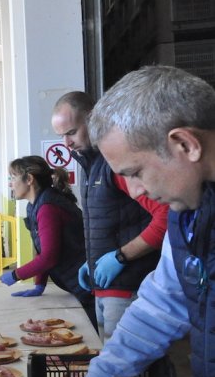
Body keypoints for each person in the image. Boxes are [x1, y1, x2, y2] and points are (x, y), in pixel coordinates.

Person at [67, 65, 215, 377]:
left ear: (185, 144)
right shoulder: (189, 216)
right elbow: (161, 305)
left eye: (135, 173)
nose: (135, 191)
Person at [52, 91, 168, 340]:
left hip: (128, 287)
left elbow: (166, 218)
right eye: (61, 136)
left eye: (71, 133)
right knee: (110, 359)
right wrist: (92, 259)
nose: (66, 143)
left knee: (129, 372)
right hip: (104, 289)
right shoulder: (89, 167)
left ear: (93, 119)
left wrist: (121, 256)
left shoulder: (115, 168)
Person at [0, 156, 97, 329]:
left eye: (13, 178)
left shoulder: (48, 207)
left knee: (93, 336)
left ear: (29, 179)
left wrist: (16, 275)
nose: (10, 184)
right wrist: (39, 284)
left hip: (86, 282)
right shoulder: (35, 205)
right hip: (75, 280)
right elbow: (43, 248)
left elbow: (48, 257)